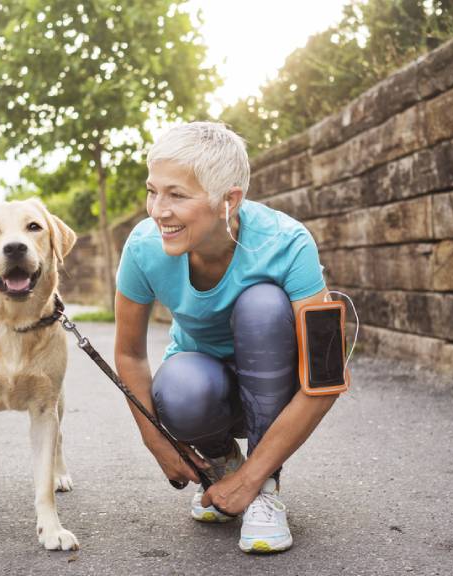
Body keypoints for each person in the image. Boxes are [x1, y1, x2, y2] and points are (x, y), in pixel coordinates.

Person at [113, 121, 339, 554]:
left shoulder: (288, 243)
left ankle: (263, 487)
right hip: (206, 393)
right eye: (152, 190)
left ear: (228, 201)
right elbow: (129, 354)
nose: (157, 210)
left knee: (263, 305)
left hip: (279, 389)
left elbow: (326, 377)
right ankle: (221, 462)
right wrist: (158, 442)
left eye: (176, 195)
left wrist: (251, 481)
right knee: (178, 387)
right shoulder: (143, 247)